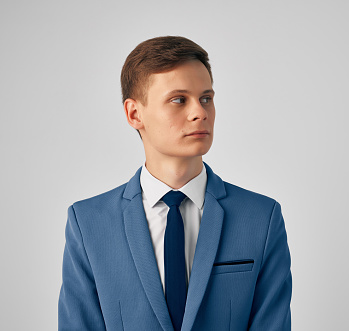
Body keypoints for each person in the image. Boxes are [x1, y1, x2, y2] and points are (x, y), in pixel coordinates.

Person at [58, 36, 292, 331]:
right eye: (179, 100)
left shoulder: (261, 218)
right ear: (134, 113)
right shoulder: (89, 223)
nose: (200, 112)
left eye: (206, 98)